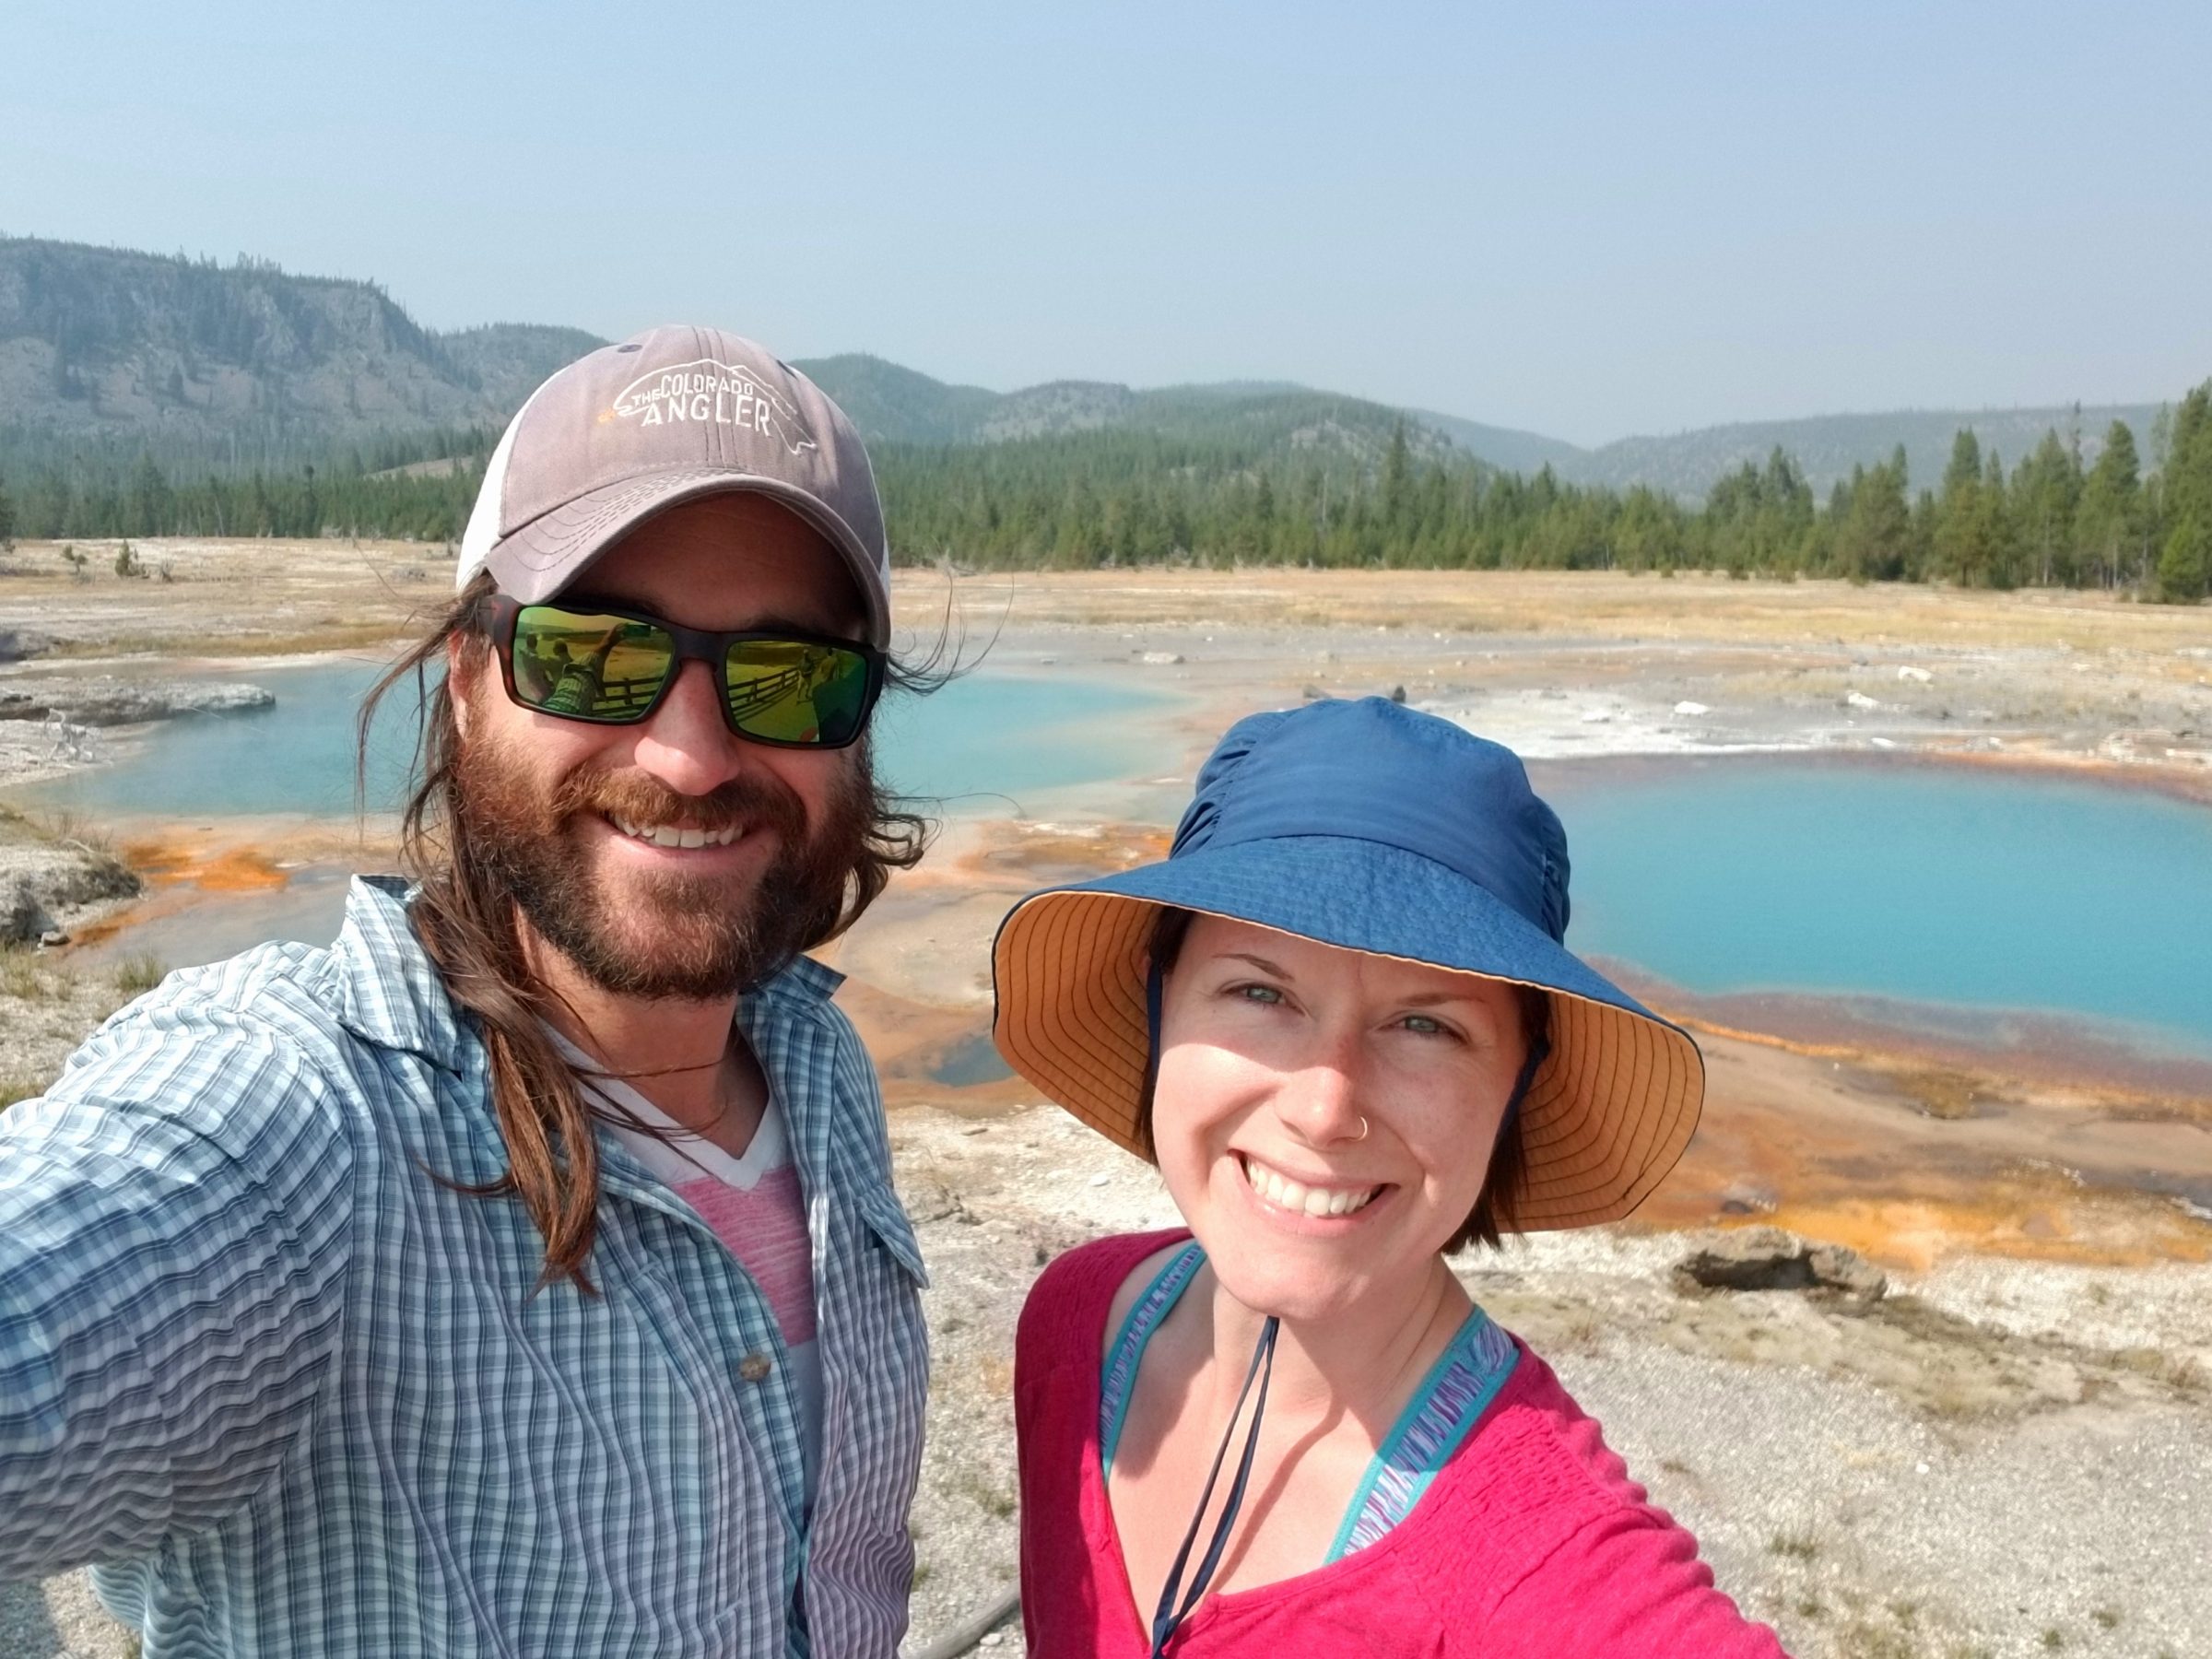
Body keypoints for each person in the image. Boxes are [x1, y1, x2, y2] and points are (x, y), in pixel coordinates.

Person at [0, 327, 934, 1656]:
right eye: (595, 655)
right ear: (466, 678)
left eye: (789, 678)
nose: (689, 753)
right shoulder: (306, 1131)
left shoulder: (815, 1063)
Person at [993, 697, 1789, 1657]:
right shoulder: (1073, 1319)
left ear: (1516, 1089)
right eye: (1260, 991)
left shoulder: (1541, 1566)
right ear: (1164, 1011)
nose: (1326, 1108)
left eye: (1427, 1026)